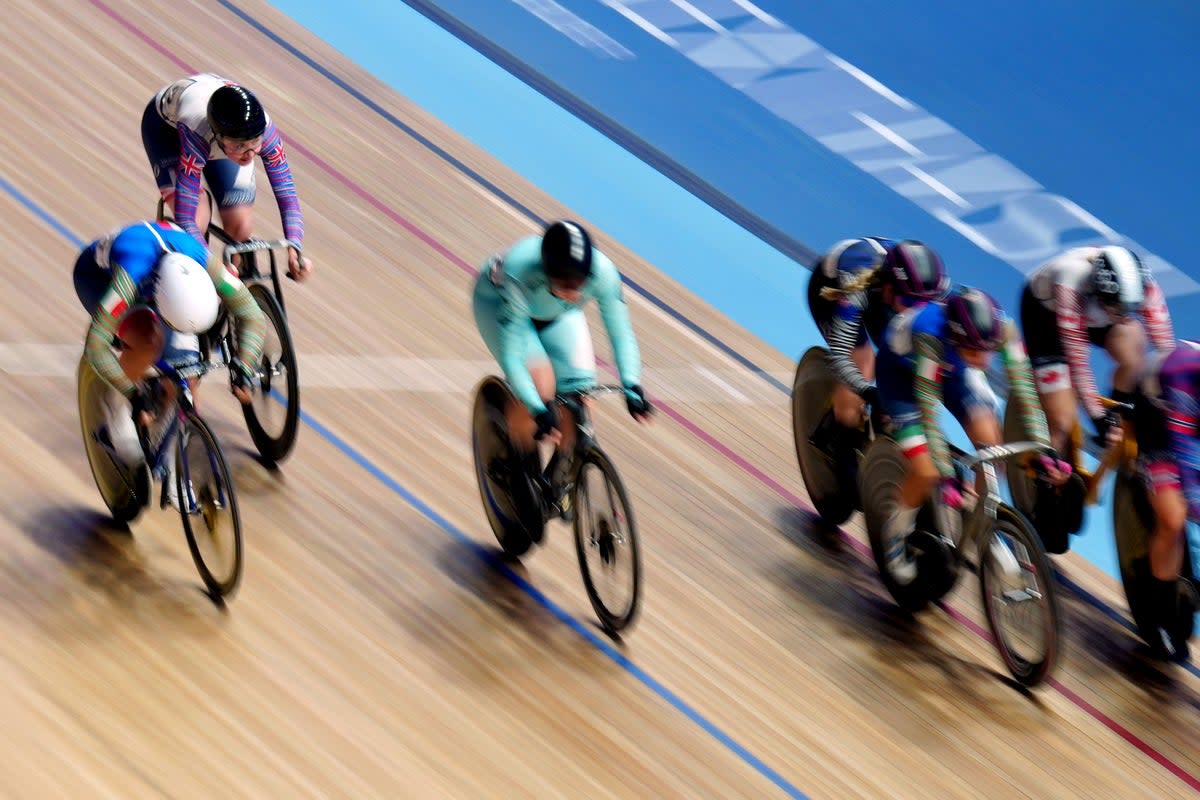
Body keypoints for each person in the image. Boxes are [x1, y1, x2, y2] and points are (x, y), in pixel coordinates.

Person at [874, 286, 1069, 583]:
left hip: (953, 369)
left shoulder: (1003, 328)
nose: (985, 361)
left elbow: (1026, 390)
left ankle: (981, 523)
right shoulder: (930, 334)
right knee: (925, 471)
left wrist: (1043, 447)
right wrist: (943, 471)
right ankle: (894, 535)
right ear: (956, 338)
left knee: (993, 446)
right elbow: (928, 408)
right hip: (902, 375)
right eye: (975, 352)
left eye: (988, 351)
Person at [74, 220, 267, 502]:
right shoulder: (131, 271)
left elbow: (252, 314)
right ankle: (114, 410)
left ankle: (174, 460)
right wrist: (134, 394)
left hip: (164, 285)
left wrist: (245, 366)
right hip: (98, 278)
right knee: (149, 341)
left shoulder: (203, 262)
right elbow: (96, 346)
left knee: (186, 373)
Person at [472, 220, 652, 508]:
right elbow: (512, 355)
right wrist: (537, 408)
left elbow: (621, 333)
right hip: (498, 305)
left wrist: (632, 385)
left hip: (557, 314)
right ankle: (516, 465)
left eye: (578, 283)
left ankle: (559, 476)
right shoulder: (520, 272)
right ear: (546, 270)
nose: (573, 289)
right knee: (542, 385)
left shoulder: (603, 273)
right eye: (564, 282)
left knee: (581, 396)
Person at [142, 73, 313, 280]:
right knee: (198, 215)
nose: (250, 154)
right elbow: (187, 219)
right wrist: (212, 267)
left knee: (240, 225)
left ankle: (235, 289)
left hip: (221, 136)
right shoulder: (198, 133)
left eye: (254, 144)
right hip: (165, 132)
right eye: (240, 146)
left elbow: (288, 198)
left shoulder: (264, 132)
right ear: (218, 136)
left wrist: (294, 248)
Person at [1020, 245, 1173, 453]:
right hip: (1046, 318)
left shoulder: (1148, 289)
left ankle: (1120, 405)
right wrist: (1098, 418)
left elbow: (1168, 353)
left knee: (1134, 347)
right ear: (1098, 290)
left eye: (1130, 308)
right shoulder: (1071, 279)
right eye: (1118, 308)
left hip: (1095, 312)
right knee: (1061, 423)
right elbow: (1078, 362)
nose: (1124, 315)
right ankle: (1046, 469)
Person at [807, 238, 949, 431]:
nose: (914, 312)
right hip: (831, 290)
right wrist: (867, 392)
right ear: (889, 288)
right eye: (909, 302)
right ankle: (840, 434)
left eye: (923, 306)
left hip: (880, 298)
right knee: (863, 367)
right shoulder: (856, 285)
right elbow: (841, 355)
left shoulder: (933, 291)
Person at [1132, 341, 1200, 661]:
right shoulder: (1182, 372)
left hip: (1190, 417)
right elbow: (1182, 453)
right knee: (1173, 517)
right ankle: (1157, 610)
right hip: (1158, 418)